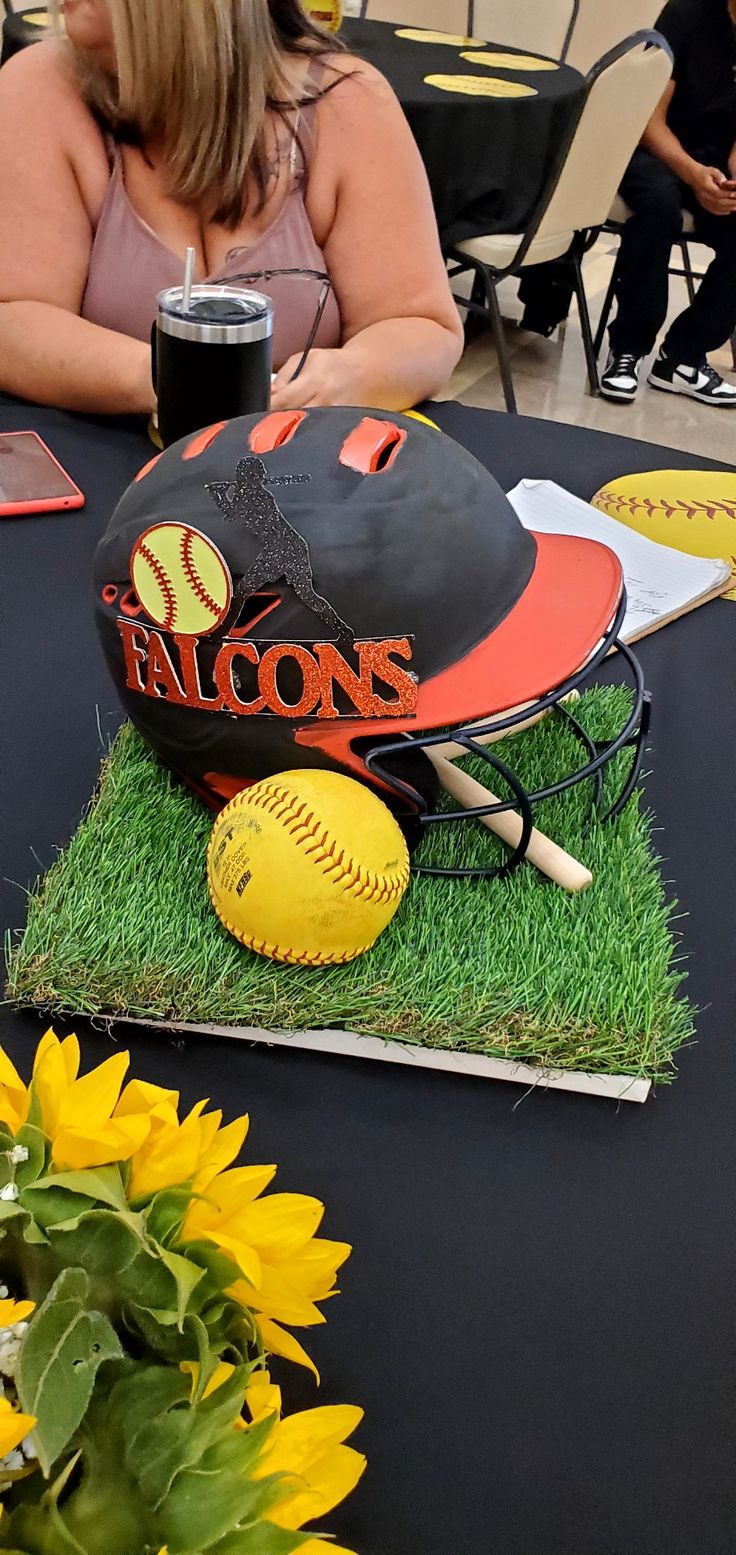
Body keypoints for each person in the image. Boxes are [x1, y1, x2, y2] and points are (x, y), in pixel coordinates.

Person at [0, 0, 463, 416]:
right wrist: (172, 377)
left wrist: (353, 374)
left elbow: (422, 327)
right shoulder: (38, 86)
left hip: (291, 479)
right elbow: (13, 319)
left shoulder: (348, 102)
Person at [601, 0, 736, 406]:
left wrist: (728, 183)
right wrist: (693, 173)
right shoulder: (687, 14)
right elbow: (649, 120)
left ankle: (683, 356)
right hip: (654, 151)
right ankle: (628, 347)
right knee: (658, 204)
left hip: (710, 161)